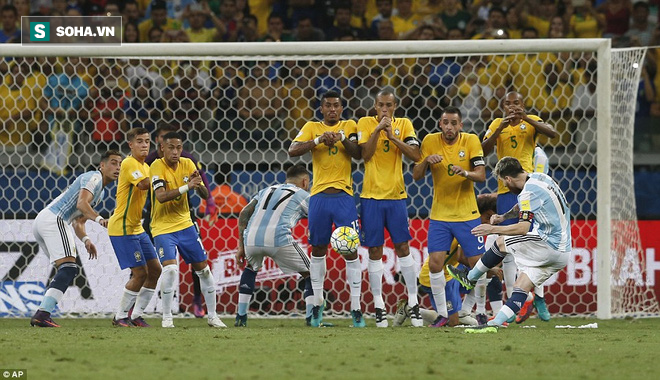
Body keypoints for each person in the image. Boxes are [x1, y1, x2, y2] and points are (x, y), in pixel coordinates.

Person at [449, 156, 571, 333]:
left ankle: (470, 278)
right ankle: (495, 324)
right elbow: (524, 206)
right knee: (521, 286)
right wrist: (503, 217)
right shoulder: (541, 178)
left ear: (507, 179)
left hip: (548, 245)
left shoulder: (527, 193)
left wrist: (491, 228)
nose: (505, 187)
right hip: (563, 252)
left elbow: (523, 228)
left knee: (501, 242)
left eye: (504, 183)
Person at [288, 91, 363, 327]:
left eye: (336, 106)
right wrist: (319, 140)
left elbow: (358, 153)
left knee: (351, 249)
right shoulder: (312, 126)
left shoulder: (350, 125)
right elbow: (292, 150)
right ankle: (317, 306)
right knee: (318, 250)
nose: (332, 109)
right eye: (328, 106)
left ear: (342, 109)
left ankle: (356, 309)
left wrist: (341, 138)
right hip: (318, 197)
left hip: (344, 197)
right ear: (321, 109)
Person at [482, 92, 558, 322]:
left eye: (516, 103)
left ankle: (539, 297)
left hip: (528, 189)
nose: (512, 107)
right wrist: (498, 130)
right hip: (505, 191)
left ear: (522, 105)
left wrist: (528, 119)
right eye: (508, 103)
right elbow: (483, 151)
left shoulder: (531, 121)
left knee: (533, 243)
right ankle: (512, 300)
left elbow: (553, 133)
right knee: (506, 247)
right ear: (503, 107)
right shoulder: (497, 124)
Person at [412, 106, 486, 327]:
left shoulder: (471, 140)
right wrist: (426, 161)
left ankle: (479, 311)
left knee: (478, 265)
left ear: (460, 125)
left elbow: (481, 175)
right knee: (435, 265)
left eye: (454, 123)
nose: (450, 127)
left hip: (467, 214)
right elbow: (416, 175)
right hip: (440, 216)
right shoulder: (429, 141)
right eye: (446, 122)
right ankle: (444, 314)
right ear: (440, 124)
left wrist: (465, 173)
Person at [30, 151, 122, 327]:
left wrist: (86, 239)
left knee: (67, 268)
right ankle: (42, 314)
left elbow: (78, 222)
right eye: (113, 163)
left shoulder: (100, 193)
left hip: (45, 221)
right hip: (54, 219)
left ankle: (43, 313)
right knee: (69, 267)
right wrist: (99, 219)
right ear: (102, 166)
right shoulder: (93, 177)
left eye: (119, 164)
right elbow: (81, 204)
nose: (117, 167)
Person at [358, 89, 422, 328]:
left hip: (396, 197)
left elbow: (416, 155)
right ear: (375, 106)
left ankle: (413, 303)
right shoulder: (364, 123)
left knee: (403, 247)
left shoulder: (404, 124)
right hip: (371, 197)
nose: (385, 109)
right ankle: (378, 307)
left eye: (389, 105)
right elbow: (365, 155)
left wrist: (393, 136)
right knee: (375, 251)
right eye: (381, 105)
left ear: (395, 106)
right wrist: (377, 130)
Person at [149, 131, 226, 328]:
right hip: (163, 227)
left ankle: (212, 317)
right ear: (162, 149)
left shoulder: (188, 164)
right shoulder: (156, 166)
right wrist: (187, 187)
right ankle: (167, 317)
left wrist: (197, 185)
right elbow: (161, 197)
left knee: (205, 271)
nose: (175, 152)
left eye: (178, 147)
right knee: (171, 270)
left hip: (185, 225)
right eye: (171, 147)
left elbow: (202, 192)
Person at [234, 164, 313, 327]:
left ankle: (240, 317)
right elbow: (316, 214)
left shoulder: (266, 190)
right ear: (305, 181)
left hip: (251, 238)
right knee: (312, 274)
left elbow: (244, 213)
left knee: (250, 268)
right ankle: (312, 318)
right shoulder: (302, 194)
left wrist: (241, 246)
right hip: (278, 238)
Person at [108, 128, 161, 327]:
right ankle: (120, 316)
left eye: (147, 141)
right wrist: (163, 179)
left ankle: (136, 315)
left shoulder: (145, 167)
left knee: (155, 270)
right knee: (140, 273)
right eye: (139, 141)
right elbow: (144, 185)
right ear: (131, 145)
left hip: (137, 227)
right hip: (122, 228)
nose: (144, 145)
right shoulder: (129, 163)